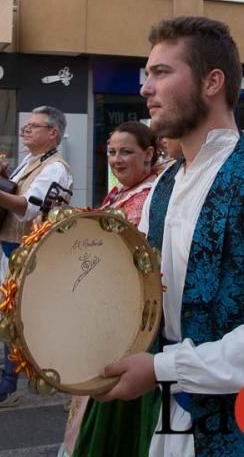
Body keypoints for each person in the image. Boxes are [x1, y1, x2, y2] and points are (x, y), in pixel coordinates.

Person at [96, 16, 244, 454]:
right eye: (148, 75)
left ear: (211, 82)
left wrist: (162, 368)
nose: (146, 88)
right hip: (179, 415)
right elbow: (149, 297)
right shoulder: (165, 187)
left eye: (161, 72)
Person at [62, 122, 164, 457]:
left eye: (126, 152)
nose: (117, 160)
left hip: (131, 327)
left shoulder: (153, 196)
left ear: (149, 154)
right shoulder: (121, 192)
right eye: (112, 152)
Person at [0, 105, 73, 409]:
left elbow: (28, 208)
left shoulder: (55, 168)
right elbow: (8, 194)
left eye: (33, 127)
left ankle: (17, 385)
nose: (25, 131)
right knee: (16, 318)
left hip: (33, 254)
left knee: (26, 320)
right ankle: (15, 381)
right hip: (16, 249)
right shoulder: (32, 161)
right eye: (25, 127)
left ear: (53, 133)